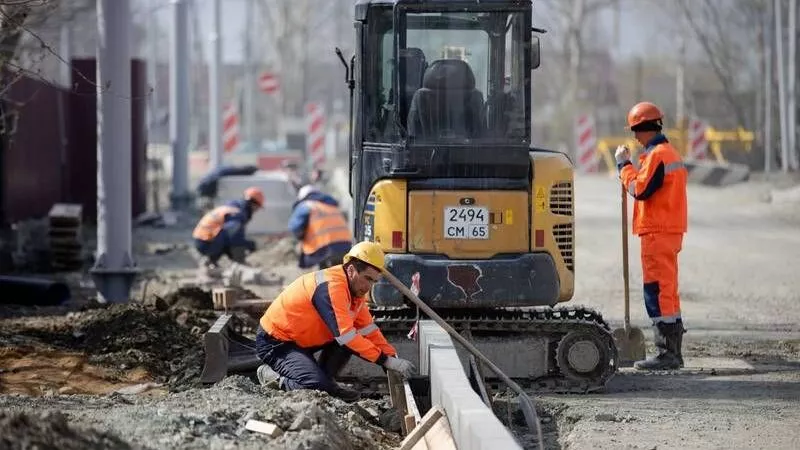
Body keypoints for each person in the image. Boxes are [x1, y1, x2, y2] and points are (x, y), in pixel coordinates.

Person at [254, 241, 416, 402]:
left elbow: (369, 332)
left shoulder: (355, 293)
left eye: (373, 281)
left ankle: (327, 383)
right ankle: (273, 376)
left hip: (301, 341)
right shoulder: (332, 287)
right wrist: (386, 361)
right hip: (276, 342)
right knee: (315, 387)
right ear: (351, 270)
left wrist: (392, 358)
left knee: (353, 341)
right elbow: (345, 336)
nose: (369, 287)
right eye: (367, 278)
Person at [615, 101, 689, 371]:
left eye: (635, 131)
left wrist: (623, 165)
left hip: (657, 232)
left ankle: (667, 354)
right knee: (667, 292)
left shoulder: (658, 156)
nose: (634, 137)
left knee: (656, 292)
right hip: (669, 231)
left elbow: (640, 189)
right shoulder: (669, 153)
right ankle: (673, 352)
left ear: (644, 129)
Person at [191, 187, 264, 273]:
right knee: (236, 237)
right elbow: (232, 236)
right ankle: (212, 262)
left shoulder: (231, 207)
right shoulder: (237, 214)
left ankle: (212, 262)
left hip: (202, 239)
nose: (256, 211)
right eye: (257, 208)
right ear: (253, 204)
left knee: (233, 237)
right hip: (206, 243)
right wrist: (246, 247)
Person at [289, 184, 353, 269]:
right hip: (346, 247)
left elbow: (295, 228)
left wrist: (301, 238)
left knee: (321, 276)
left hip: (322, 249)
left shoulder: (306, 205)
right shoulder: (332, 205)